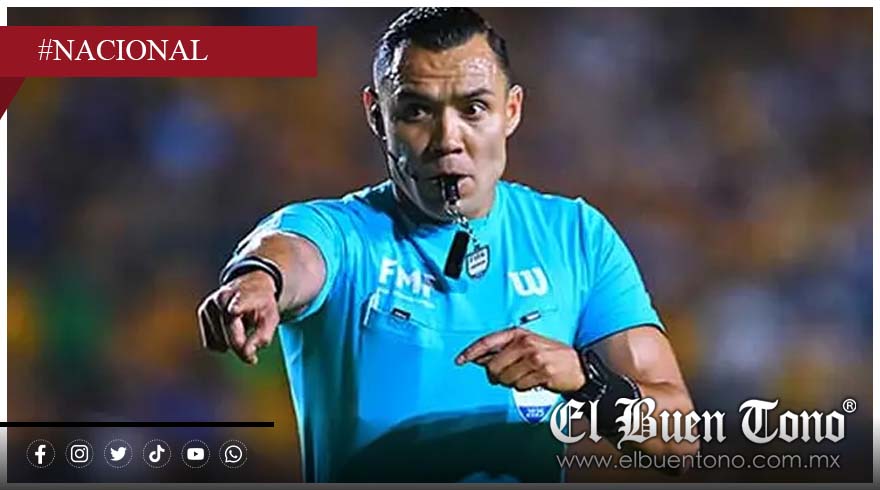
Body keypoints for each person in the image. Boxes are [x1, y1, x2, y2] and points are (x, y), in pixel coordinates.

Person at [197, 7, 698, 482]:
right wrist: (260, 280)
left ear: (511, 110)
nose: (447, 139)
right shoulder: (343, 233)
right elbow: (289, 252)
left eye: (473, 108)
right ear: (378, 116)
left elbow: (680, 443)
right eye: (417, 111)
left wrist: (588, 381)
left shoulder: (577, 236)